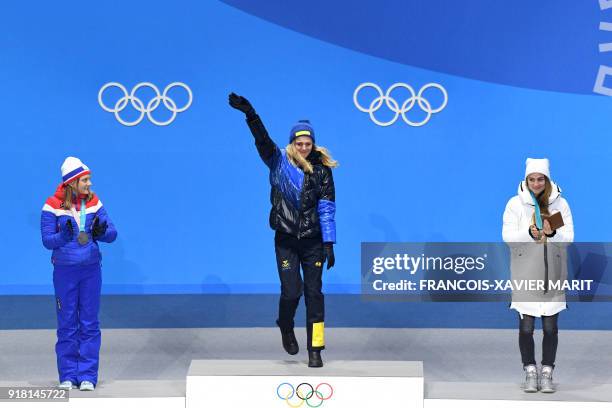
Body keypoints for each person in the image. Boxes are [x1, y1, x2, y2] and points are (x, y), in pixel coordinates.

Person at [229, 92, 338, 367]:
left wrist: (329, 243)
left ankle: (316, 349)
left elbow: (327, 208)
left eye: (308, 143)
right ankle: (285, 325)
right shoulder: (278, 163)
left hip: (313, 241)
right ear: (292, 143)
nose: (303, 147)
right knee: (292, 292)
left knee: (315, 294)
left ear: (314, 144)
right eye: (299, 143)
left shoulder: (323, 171)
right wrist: (251, 115)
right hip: (287, 240)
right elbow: (262, 141)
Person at [40, 157, 117, 391]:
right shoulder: (52, 205)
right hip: (65, 273)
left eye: (89, 179)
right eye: (85, 180)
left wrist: (102, 233)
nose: (89, 184)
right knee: (67, 323)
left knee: (90, 323)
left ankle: (87, 376)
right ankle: (67, 376)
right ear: (72, 182)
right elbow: (46, 241)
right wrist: (62, 237)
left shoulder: (93, 202)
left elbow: (112, 233)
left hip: (91, 271)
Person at [502, 158, 574, 393]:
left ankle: (547, 372)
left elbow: (568, 238)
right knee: (526, 329)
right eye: (531, 179)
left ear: (547, 180)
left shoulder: (560, 205)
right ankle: (530, 371)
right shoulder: (515, 204)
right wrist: (528, 232)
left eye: (540, 179)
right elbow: (508, 238)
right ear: (526, 180)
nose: (536, 183)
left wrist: (552, 233)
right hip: (526, 275)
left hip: (553, 276)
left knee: (551, 329)